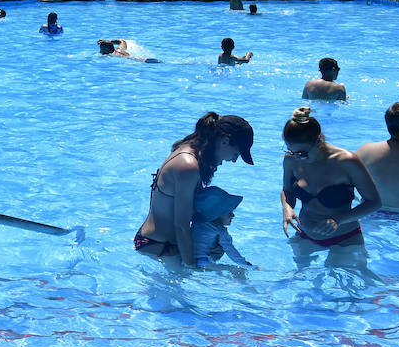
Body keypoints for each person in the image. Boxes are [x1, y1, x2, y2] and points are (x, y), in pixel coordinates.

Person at [135, 112, 255, 264]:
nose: (234, 160)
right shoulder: (188, 166)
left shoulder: (191, 148)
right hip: (160, 247)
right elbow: (181, 226)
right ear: (224, 142)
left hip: (162, 244)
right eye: (236, 153)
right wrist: (192, 268)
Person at [280, 106, 381, 253]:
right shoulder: (291, 159)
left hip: (345, 238)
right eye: (291, 150)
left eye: (302, 152)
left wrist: (338, 219)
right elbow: (287, 190)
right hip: (305, 234)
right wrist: (287, 208)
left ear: (318, 140)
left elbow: (374, 202)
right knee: (297, 275)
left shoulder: (347, 162)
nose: (297, 157)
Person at [191, 185, 252, 268]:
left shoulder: (196, 224)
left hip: (187, 258)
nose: (233, 215)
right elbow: (230, 250)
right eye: (229, 212)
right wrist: (246, 264)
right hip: (205, 261)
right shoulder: (220, 231)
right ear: (217, 215)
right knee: (238, 272)